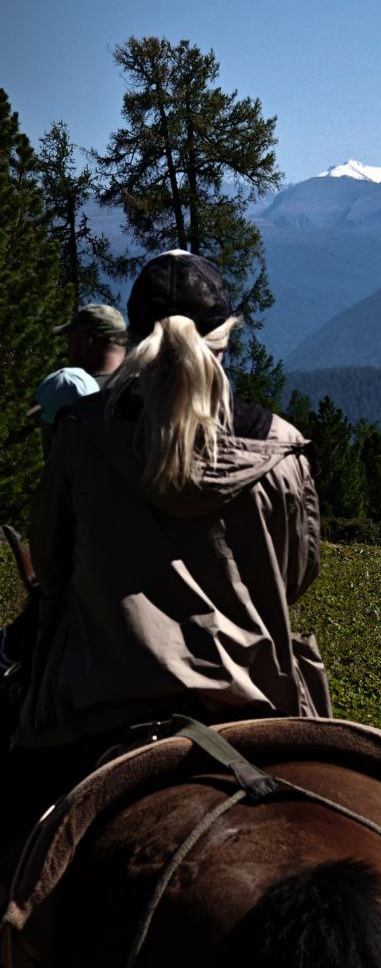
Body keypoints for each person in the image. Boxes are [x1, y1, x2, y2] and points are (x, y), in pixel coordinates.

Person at [3, 252, 328, 849]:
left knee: (14, 853)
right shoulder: (279, 449)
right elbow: (296, 575)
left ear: (137, 341)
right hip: (256, 701)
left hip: (99, 712)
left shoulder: (79, 435)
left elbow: (51, 568)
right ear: (226, 340)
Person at [54, 303, 128, 386]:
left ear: (85, 341)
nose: (68, 345)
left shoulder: (74, 391)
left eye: (70, 337)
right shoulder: (140, 387)